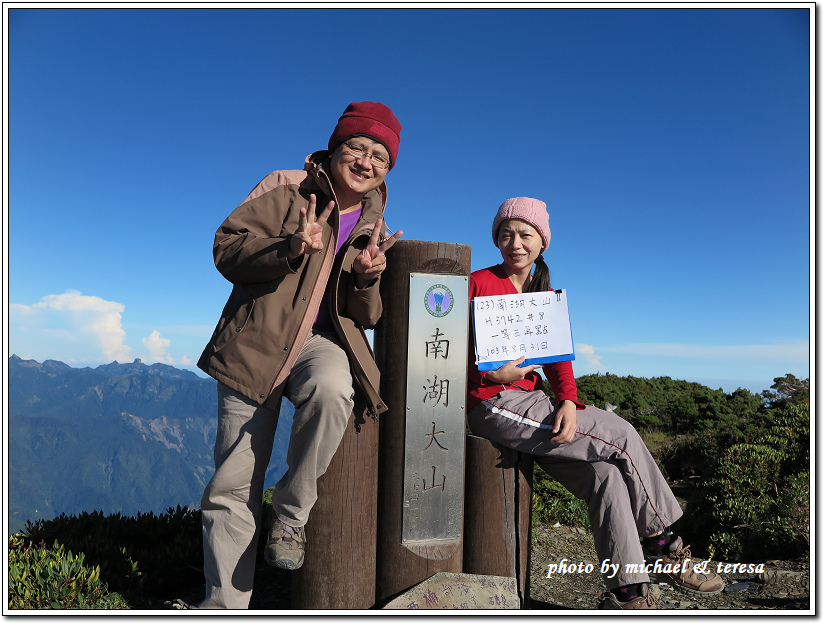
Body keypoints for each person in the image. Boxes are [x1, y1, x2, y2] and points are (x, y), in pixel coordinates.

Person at [467, 197, 724, 610]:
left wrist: (568, 400)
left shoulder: (541, 291)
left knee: (605, 476)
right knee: (620, 433)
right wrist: (491, 376)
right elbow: (443, 351)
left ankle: (627, 595)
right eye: (506, 234)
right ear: (496, 239)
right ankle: (664, 544)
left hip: (533, 403)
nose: (515, 243)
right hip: (492, 401)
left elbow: (558, 357)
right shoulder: (477, 283)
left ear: (542, 242)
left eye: (525, 234)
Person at [195, 101, 403, 609]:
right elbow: (227, 249)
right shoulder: (286, 186)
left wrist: (367, 279)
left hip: (318, 345)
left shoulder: (375, 221)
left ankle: (289, 518)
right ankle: (225, 606)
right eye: (357, 147)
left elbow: (366, 316)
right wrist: (289, 247)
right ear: (335, 148)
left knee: (335, 389)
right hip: (256, 345)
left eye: (380, 155)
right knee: (234, 482)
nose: (366, 161)